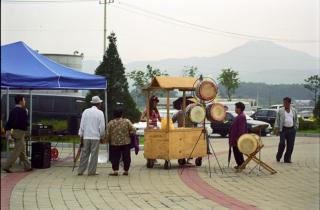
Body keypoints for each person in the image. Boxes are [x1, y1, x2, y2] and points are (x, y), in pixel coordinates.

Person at [2, 95, 32, 173]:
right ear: (20, 101)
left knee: (22, 150)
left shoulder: (13, 110)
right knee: (17, 150)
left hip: (15, 132)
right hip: (20, 132)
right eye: (24, 100)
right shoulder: (23, 110)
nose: (25, 102)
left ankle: (28, 166)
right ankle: (6, 166)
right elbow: (25, 123)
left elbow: (9, 123)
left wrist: (7, 132)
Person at [77, 96, 105, 176]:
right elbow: (102, 127)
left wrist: (81, 134)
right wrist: (101, 136)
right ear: (99, 104)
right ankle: (91, 171)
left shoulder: (85, 111)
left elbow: (82, 124)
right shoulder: (100, 113)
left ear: (92, 103)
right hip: (95, 137)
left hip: (86, 136)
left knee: (84, 153)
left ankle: (80, 171)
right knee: (94, 155)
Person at [105, 108, 136, 176]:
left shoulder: (111, 123)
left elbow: (107, 133)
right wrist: (130, 133)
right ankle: (126, 171)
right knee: (126, 157)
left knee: (115, 157)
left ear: (114, 115)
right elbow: (134, 130)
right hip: (126, 142)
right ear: (122, 114)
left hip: (114, 143)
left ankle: (115, 171)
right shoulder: (127, 121)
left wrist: (106, 140)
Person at [274, 97, 299, 163]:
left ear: (289, 103)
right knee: (282, 143)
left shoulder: (294, 110)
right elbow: (277, 120)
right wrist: (277, 129)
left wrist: (295, 127)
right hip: (283, 129)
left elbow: (296, 120)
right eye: (283, 102)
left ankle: (287, 159)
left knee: (290, 145)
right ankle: (278, 156)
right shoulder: (281, 110)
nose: (284, 104)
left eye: (285, 103)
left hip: (291, 130)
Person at [229, 102, 247, 169]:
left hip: (237, 138)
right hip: (235, 138)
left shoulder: (241, 116)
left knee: (237, 152)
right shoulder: (239, 116)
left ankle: (241, 164)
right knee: (236, 151)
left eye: (236, 108)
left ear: (239, 108)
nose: (235, 109)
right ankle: (240, 164)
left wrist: (238, 138)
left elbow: (241, 129)